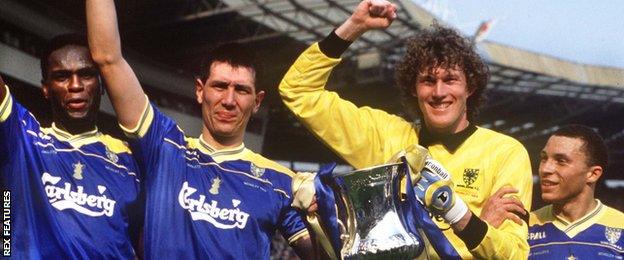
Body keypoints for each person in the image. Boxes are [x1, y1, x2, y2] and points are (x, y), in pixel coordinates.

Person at [279, 0, 533, 258]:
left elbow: (513, 255)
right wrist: (353, 27)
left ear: (471, 87)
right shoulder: (385, 136)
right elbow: (298, 92)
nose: (439, 92)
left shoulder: (506, 153)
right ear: (414, 88)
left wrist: (465, 220)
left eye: (451, 80)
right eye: (428, 81)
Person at [84, 0, 314, 259]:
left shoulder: (281, 182)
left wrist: (321, 215)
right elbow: (108, 59)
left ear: (257, 101)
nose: (228, 100)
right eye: (219, 86)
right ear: (199, 90)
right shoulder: (165, 148)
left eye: (241, 90)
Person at [0, 34, 140, 258]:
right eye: (62, 77)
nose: (75, 86)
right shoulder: (23, 139)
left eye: (86, 74)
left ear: (102, 85)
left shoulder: (130, 158)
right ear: (45, 88)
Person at [529, 124, 624, 259]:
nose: (545, 169)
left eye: (561, 161)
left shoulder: (621, 227)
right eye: (544, 158)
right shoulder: (525, 227)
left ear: (592, 174)